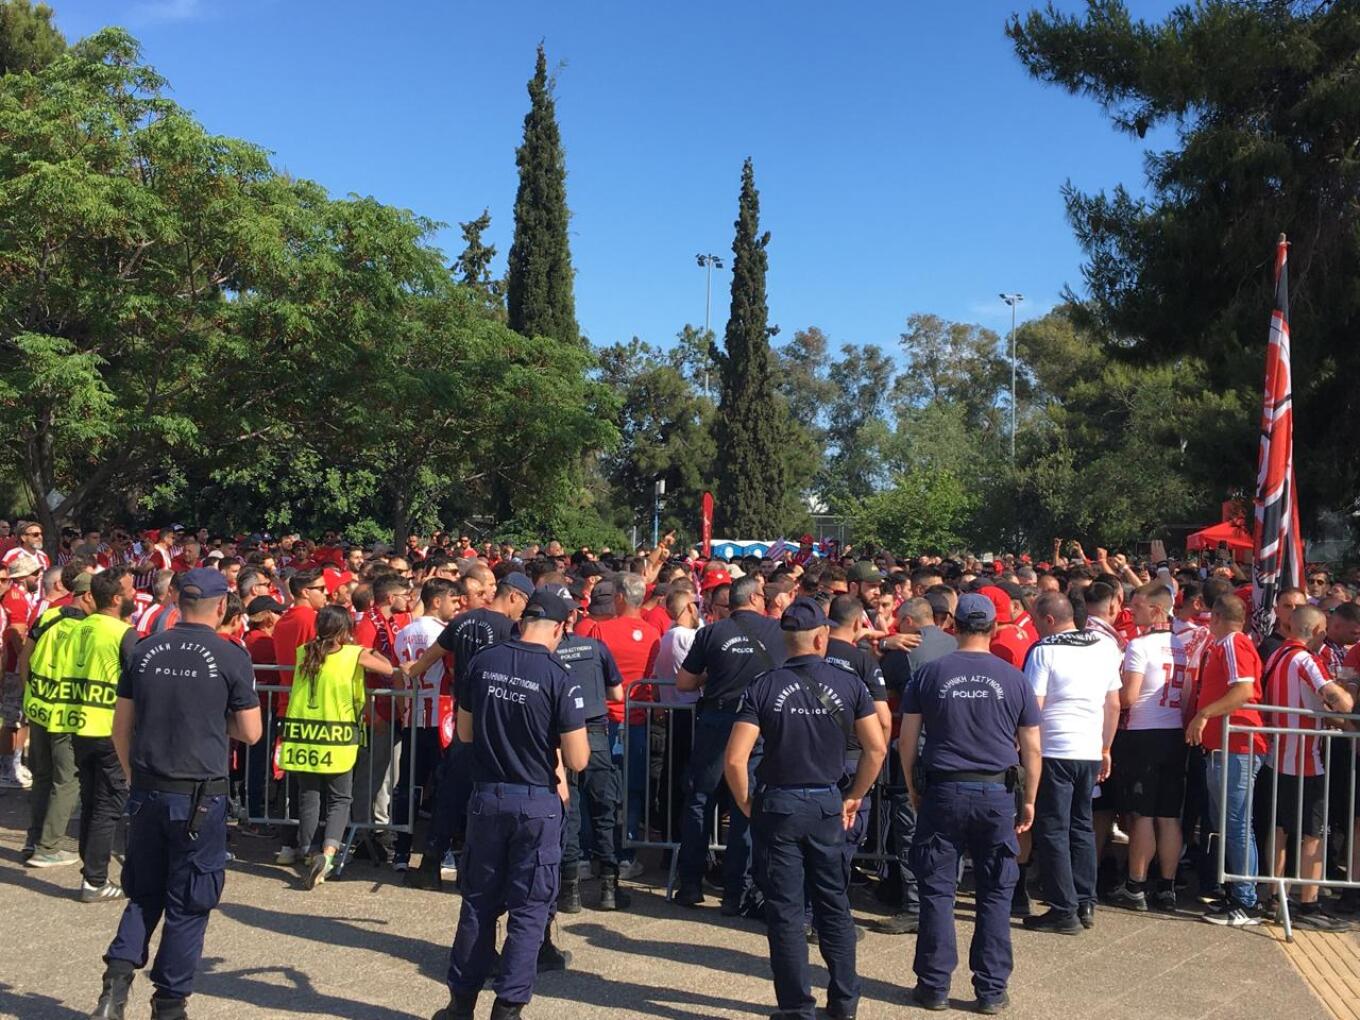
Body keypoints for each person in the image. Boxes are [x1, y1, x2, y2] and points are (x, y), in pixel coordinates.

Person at [88, 568, 261, 1020]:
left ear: (177, 604)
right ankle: (169, 1003)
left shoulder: (143, 650)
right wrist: (210, 716)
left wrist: (132, 777)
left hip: (148, 787)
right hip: (199, 796)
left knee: (144, 892)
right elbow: (251, 732)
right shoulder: (230, 655)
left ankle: (116, 984)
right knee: (190, 901)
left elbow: (119, 727)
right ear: (221, 606)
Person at [723, 597, 886, 1020]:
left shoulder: (763, 685)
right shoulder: (850, 685)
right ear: (821, 638)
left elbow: (736, 759)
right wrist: (856, 794)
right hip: (826, 802)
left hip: (777, 803)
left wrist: (746, 804)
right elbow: (876, 746)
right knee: (833, 903)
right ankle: (844, 1003)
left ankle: (797, 1007)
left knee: (786, 911)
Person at [430, 589, 588, 1020]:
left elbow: (464, 733)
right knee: (529, 910)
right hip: (536, 801)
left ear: (523, 621)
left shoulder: (483, 662)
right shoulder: (559, 674)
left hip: (487, 796)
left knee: (478, 903)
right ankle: (508, 1008)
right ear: (558, 628)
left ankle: (460, 1004)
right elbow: (577, 759)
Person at [900, 593, 1041, 1014]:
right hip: (996, 794)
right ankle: (991, 990)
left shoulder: (929, 672)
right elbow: (1032, 748)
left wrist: (911, 786)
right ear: (994, 628)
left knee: (938, 891)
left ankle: (934, 984)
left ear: (953, 626)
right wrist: (1030, 798)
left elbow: (907, 740)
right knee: (996, 893)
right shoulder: (1014, 677)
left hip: (944, 790)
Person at [404, 570, 533, 891]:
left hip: (464, 718)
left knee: (452, 791)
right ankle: (476, 868)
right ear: (514, 595)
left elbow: (427, 659)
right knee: (489, 792)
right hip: (496, 721)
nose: (523, 611)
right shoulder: (512, 630)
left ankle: (431, 863)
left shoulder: (461, 622)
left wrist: (408, 670)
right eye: (524, 603)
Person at [675, 574, 785, 912]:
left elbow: (684, 682)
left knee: (700, 800)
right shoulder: (777, 632)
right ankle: (737, 892)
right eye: (763, 595)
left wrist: (714, 674)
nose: (766, 600)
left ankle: (690, 884)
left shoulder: (711, 633)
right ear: (752, 599)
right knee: (746, 803)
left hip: (716, 721)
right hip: (756, 726)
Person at [1021, 590, 1121, 935]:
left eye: (1036, 621)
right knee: (1082, 825)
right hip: (1090, 749)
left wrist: (1025, 750)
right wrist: (1106, 747)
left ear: (1049, 620)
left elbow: (1034, 707)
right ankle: (1084, 899)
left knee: (1052, 828)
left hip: (1054, 749)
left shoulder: (1045, 651)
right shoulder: (1105, 647)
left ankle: (1063, 908)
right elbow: (1114, 705)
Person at [279, 604, 398, 888]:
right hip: (337, 737)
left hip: (303, 735)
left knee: (309, 795)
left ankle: (309, 853)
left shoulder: (304, 652)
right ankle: (329, 854)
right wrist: (365, 648)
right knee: (340, 798)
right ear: (345, 629)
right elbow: (388, 669)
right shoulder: (353, 654)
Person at [1261, 604, 1353, 929]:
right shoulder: (1307, 660)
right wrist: (1345, 699)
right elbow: (1337, 699)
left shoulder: (1275, 656)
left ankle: (1273, 896)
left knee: (1280, 829)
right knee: (1312, 835)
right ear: (1315, 631)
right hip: (1305, 761)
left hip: (1276, 757)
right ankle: (1307, 904)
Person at [1106, 582, 1192, 913]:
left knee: (1142, 814)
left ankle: (1136, 884)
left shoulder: (1139, 646)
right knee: (1169, 815)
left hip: (1143, 732)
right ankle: (1167, 886)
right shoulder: (1184, 645)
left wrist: (1111, 697)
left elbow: (1129, 696)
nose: (1132, 612)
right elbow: (1186, 695)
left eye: (1138, 607)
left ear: (1156, 609)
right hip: (1173, 731)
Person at [1186, 593, 1267, 925]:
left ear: (1217, 617)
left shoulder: (1234, 644)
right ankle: (1236, 892)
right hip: (1225, 748)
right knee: (1228, 824)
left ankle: (1245, 899)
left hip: (1237, 747)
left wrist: (1204, 713)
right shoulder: (1226, 645)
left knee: (1236, 824)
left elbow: (1243, 690)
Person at [63, 567, 141, 903]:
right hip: (109, 727)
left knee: (93, 801)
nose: (135, 594)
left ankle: (90, 872)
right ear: (115, 598)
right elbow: (140, 679)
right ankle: (94, 880)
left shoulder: (82, 628)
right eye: (130, 590)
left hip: (79, 723)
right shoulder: (122, 632)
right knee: (109, 805)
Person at [551, 583, 628, 912]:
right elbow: (618, 694)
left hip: (561, 737)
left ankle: (569, 893)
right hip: (595, 733)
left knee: (569, 813)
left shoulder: (548, 655)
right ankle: (609, 888)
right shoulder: (595, 648)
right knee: (604, 812)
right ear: (573, 615)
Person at [20, 568, 94, 866]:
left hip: (39, 707)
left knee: (43, 776)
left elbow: (26, 657)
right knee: (68, 780)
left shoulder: (49, 615)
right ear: (88, 596)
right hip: (67, 714)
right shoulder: (91, 627)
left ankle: (34, 839)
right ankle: (47, 848)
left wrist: (30, 693)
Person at [391, 576, 460, 870]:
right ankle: (440, 852)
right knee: (443, 788)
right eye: (453, 601)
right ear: (436, 601)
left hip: (412, 716)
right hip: (440, 719)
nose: (456, 607)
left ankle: (401, 852)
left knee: (409, 786)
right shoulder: (446, 634)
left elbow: (397, 674)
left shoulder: (403, 632)